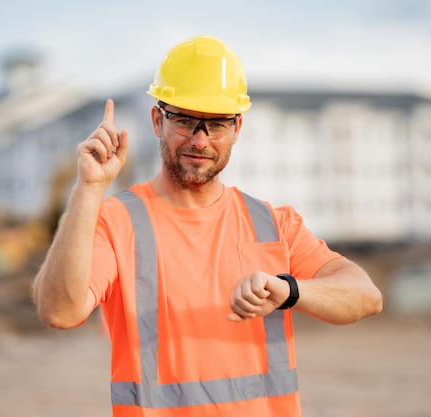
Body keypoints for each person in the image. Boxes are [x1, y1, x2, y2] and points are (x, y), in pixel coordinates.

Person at [33, 35, 382, 416]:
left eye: (216, 125)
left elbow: (366, 296)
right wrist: (89, 188)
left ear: (237, 130)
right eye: (185, 121)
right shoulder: (115, 220)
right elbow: (60, 312)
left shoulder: (272, 223)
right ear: (157, 121)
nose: (200, 140)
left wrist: (289, 290)